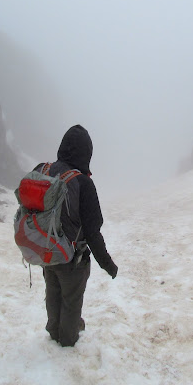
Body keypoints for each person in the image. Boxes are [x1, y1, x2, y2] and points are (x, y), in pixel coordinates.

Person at [34, 125, 118, 347]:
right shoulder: (82, 182)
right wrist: (108, 265)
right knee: (71, 300)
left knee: (52, 292)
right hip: (72, 258)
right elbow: (92, 233)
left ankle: (53, 331)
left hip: (45, 250)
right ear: (86, 153)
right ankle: (68, 340)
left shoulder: (43, 170)